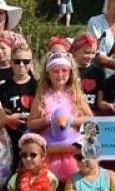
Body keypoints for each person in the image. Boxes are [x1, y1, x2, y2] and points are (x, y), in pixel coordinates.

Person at [30, 52, 91, 183]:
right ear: (48, 74)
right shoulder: (42, 96)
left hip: (71, 151)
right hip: (50, 150)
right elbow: (30, 124)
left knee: (72, 186)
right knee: (49, 185)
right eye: (55, 71)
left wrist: (72, 120)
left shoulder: (75, 94)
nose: (60, 74)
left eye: (64, 70)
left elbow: (90, 120)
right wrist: (46, 120)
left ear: (70, 73)